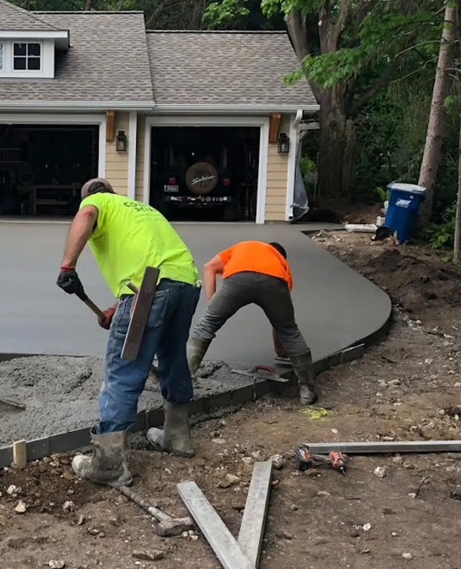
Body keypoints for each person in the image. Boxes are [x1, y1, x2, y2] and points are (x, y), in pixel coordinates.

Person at [57, 178, 201, 486]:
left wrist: (67, 266)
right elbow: (150, 261)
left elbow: (85, 216)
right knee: (174, 357)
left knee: (123, 368)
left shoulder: (97, 204)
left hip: (149, 290)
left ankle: (109, 464)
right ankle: (177, 437)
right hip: (185, 283)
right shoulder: (142, 210)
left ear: (90, 198)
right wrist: (117, 308)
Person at [187, 240, 318, 406]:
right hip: (274, 280)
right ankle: (307, 392)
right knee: (290, 331)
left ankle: (184, 381)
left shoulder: (244, 246)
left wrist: (212, 308)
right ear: (280, 256)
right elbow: (281, 323)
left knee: (205, 326)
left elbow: (209, 267)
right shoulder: (281, 264)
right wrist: (279, 349)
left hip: (238, 276)